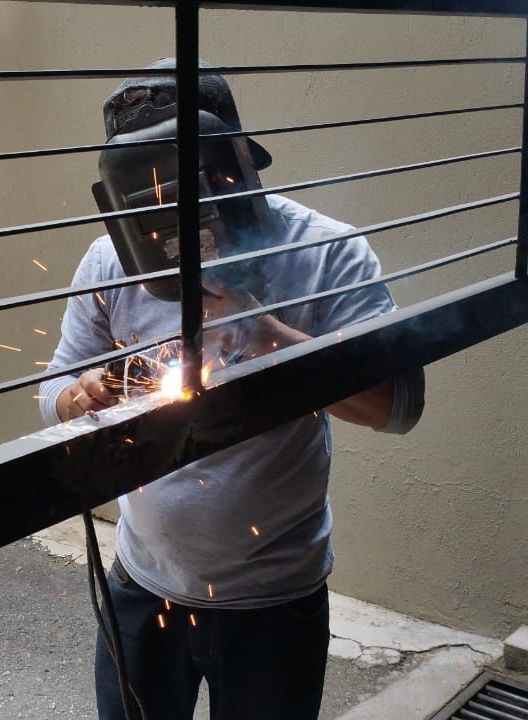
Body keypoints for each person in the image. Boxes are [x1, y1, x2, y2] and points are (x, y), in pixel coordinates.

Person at [37, 59, 426, 720]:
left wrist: (262, 334)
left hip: (275, 603)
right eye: (150, 195)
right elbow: (52, 396)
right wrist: (85, 396)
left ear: (235, 167)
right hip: (143, 588)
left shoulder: (328, 255)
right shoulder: (108, 263)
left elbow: (396, 407)